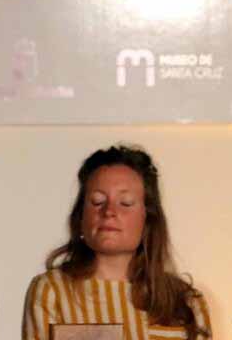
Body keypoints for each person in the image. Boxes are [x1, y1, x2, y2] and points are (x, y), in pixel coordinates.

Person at [22, 145, 211, 340]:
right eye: (97, 201)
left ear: (148, 217)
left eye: (126, 203)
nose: (109, 212)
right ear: (81, 215)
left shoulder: (187, 302)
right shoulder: (52, 291)